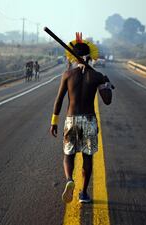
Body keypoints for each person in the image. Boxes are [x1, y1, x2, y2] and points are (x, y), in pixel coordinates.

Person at [49, 32, 113, 203]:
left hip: (72, 120)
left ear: (73, 58)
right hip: (89, 121)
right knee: (87, 157)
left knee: (68, 155)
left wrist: (54, 122)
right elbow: (107, 101)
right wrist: (106, 83)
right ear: (90, 57)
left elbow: (59, 101)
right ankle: (84, 194)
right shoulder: (97, 76)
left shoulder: (67, 75)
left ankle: (70, 179)